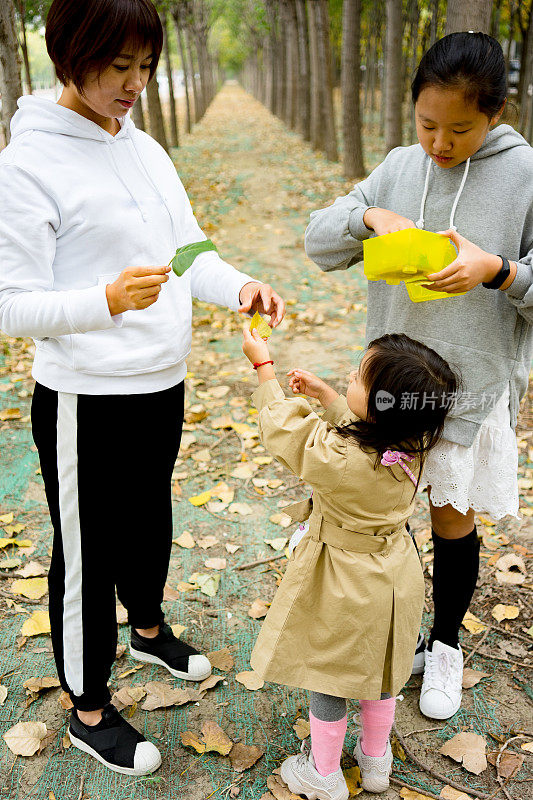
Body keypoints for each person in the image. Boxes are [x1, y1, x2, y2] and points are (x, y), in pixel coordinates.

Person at [0, 0, 285, 777]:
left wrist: (241, 287)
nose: (135, 85)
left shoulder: (144, 147)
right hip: (84, 395)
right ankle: (88, 708)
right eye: (118, 66)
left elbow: (187, 250)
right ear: (69, 55)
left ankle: (149, 632)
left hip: (161, 381)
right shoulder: (28, 164)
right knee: (88, 551)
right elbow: (10, 304)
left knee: (149, 516)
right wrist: (104, 303)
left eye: (146, 67)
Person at [304, 31, 533, 721]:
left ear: (494, 112)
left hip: (469, 387)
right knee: (382, 517)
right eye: (427, 124)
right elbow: (319, 242)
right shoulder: (401, 166)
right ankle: (399, 634)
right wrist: (368, 216)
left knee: (450, 521)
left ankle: (445, 645)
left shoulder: (524, 175)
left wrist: (496, 271)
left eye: (459, 129)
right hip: (390, 386)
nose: (439, 142)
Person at [241, 326, 459, 798]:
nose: (349, 378)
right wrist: (330, 397)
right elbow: (366, 435)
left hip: (342, 576)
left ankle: (323, 772)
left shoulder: (339, 457)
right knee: (379, 667)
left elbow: (286, 432)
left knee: (330, 672)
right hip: (395, 576)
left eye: (359, 378)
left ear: (381, 405)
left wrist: (265, 369)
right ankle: (376, 761)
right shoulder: (415, 446)